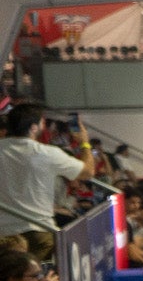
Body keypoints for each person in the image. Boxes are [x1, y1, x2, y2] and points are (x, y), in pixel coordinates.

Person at [0, 108, 85, 263]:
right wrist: (84, 143)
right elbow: (87, 172)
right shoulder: (47, 153)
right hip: (38, 229)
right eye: (42, 122)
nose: (44, 126)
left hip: (4, 232)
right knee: (37, 275)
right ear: (34, 127)